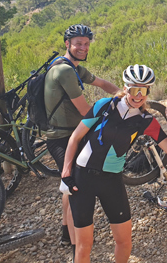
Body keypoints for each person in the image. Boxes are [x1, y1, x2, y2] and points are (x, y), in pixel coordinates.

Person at [60, 64, 167, 263]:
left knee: (125, 242)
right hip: (83, 178)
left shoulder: (145, 120)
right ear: (125, 88)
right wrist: (66, 172)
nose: (138, 95)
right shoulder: (104, 105)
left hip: (112, 180)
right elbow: (75, 138)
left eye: (143, 90)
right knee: (84, 246)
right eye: (134, 89)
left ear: (148, 92)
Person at [44, 24, 120, 247]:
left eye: (86, 44)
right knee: (75, 186)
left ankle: (67, 232)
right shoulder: (66, 71)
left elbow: (102, 83)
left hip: (70, 133)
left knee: (69, 186)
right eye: (78, 43)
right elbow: (85, 111)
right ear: (67, 44)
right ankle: (77, 247)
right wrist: (112, 119)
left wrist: (123, 96)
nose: (83, 47)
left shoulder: (72, 66)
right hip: (62, 137)